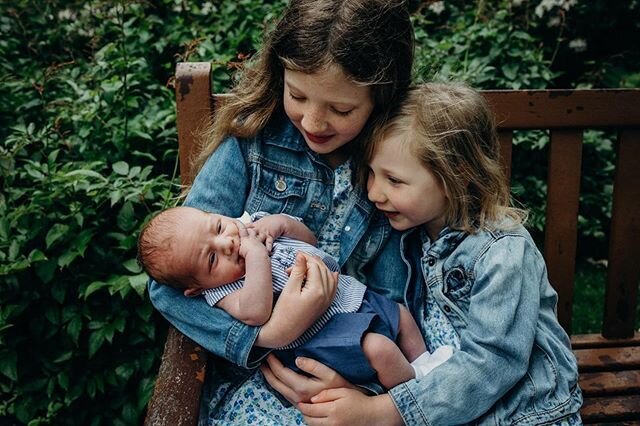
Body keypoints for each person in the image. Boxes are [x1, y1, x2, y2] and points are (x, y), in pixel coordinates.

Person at [147, 0, 415, 423]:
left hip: (360, 368)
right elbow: (169, 287)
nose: (313, 120)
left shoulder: (397, 164)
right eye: (297, 95)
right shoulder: (251, 144)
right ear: (280, 75)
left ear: (382, 97)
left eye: (341, 110)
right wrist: (267, 334)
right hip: (263, 378)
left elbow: (399, 294)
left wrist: (367, 394)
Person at [284, 83, 583, 424]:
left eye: (394, 180)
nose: (374, 192)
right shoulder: (414, 235)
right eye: (371, 173)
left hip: (522, 415)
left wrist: (385, 411)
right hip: (448, 409)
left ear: (455, 176)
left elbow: (494, 361)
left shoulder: (503, 253)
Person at [140, 207, 453, 390]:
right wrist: (255, 257)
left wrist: (281, 223)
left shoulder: (255, 225)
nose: (227, 243)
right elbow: (257, 312)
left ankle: (424, 362)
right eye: (211, 260)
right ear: (196, 288)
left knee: (401, 315)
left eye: (219, 226)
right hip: (323, 335)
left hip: (352, 297)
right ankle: (412, 390)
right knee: (380, 349)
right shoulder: (223, 292)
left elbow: (310, 240)